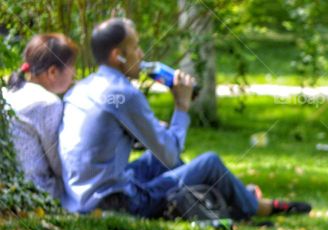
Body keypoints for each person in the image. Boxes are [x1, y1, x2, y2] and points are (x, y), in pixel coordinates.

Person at [59, 18, 310, 219]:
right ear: (118, 55)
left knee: (153, 161)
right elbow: (169, 153)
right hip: (115, 203)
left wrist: (151, 132)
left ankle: (222, 200)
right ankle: (253, 206)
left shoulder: (82, 87)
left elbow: (104, 139)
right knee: (209, 163)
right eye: (135, 46)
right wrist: (181, 105)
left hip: (78, 196)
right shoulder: (124, 94)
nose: (142, 53)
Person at [2, 33, 78, 201]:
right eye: (72, 66)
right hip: (35, 195)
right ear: (52, 72)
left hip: (7, 190)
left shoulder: (6, 94)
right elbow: (61, 166)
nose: (74, 73)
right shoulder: (47, 104)